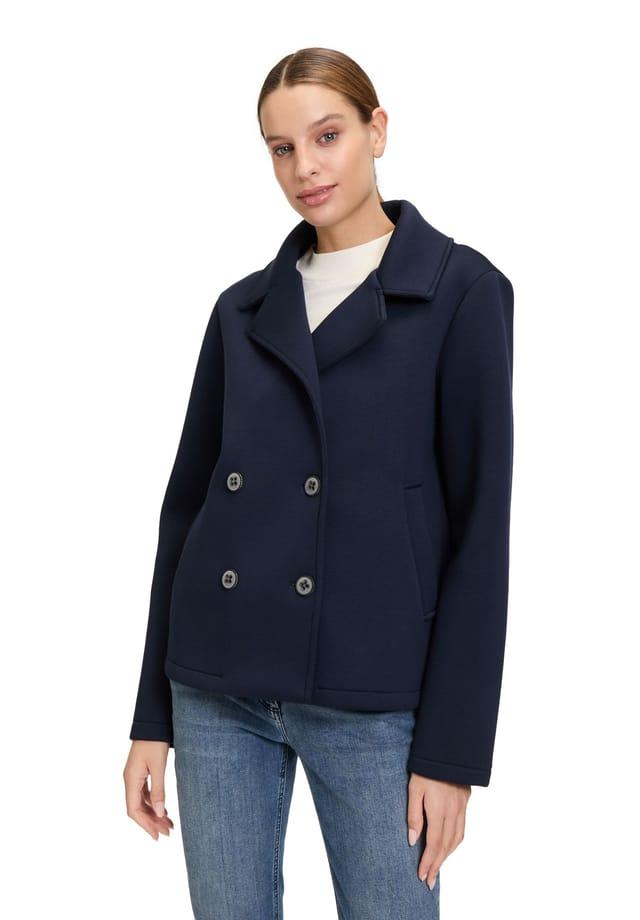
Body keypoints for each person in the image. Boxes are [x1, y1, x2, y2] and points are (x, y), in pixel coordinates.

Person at [123, 46, 514, 920]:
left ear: (378, 131)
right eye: (281, 147)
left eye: (327, 135)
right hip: (216, 686)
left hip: (374, 697)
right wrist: (152, 715)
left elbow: (481, 530)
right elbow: (185, 515)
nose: (305, 166)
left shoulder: (459, 292)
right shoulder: (241, 310)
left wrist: (453, 753)